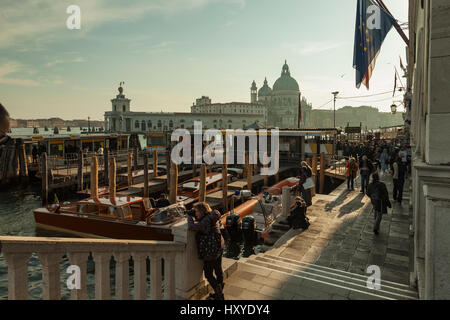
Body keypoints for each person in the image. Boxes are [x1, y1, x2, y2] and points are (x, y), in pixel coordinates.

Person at [187, 202, 225, 300]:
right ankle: (219, 291)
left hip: (210, 249)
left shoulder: (205, 221)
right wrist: (193, 214)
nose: (196, 213)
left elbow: (192, 227)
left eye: (197, 211)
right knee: (218, 270)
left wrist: (189, 218)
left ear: (202, 211)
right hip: (218, 246)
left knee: (208, 273)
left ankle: (219, 294)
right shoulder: (211, 217)